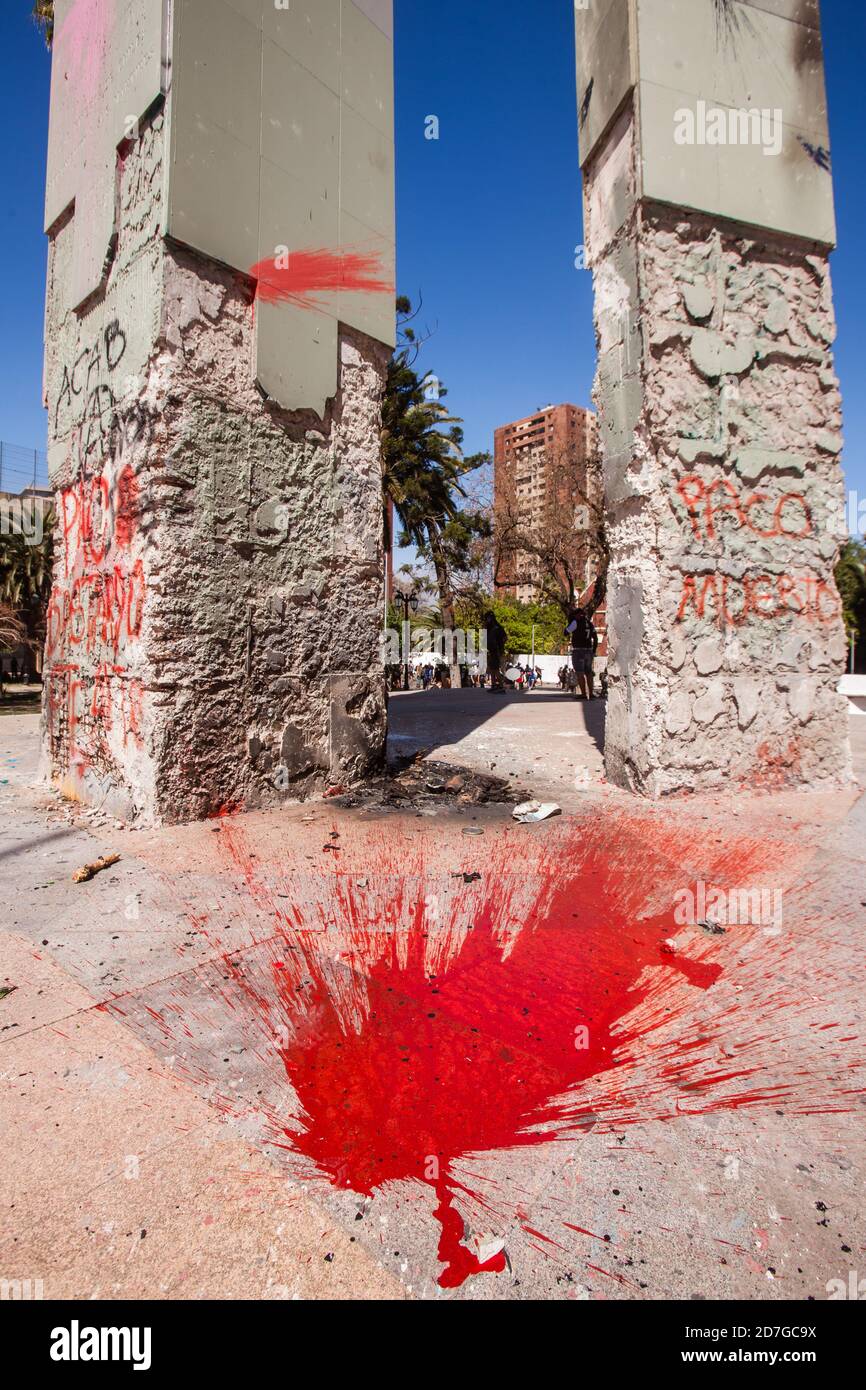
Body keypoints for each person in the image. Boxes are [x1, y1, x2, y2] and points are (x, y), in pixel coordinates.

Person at [567, 603, 598, 700]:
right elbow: (595, 638)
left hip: (578, 650)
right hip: (589, 650)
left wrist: (571, 623)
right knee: (589, 672)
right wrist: (593, 650)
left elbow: (566, 632)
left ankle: (584, 694)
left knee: (580, 672)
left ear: (577, 615)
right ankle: (591, 694)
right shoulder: (590, 624)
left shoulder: (575, 622)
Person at [483, 611, 507, 691]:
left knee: (495, 669)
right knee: (491, 669)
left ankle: (501, 686)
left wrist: (499, 646)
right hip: (491, 651)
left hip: (496, 651)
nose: (486, 620)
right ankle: (493, 685)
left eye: (487, 618)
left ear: (491, 618)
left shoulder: (498, 628)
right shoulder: (489, 628)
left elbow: (505, 638)